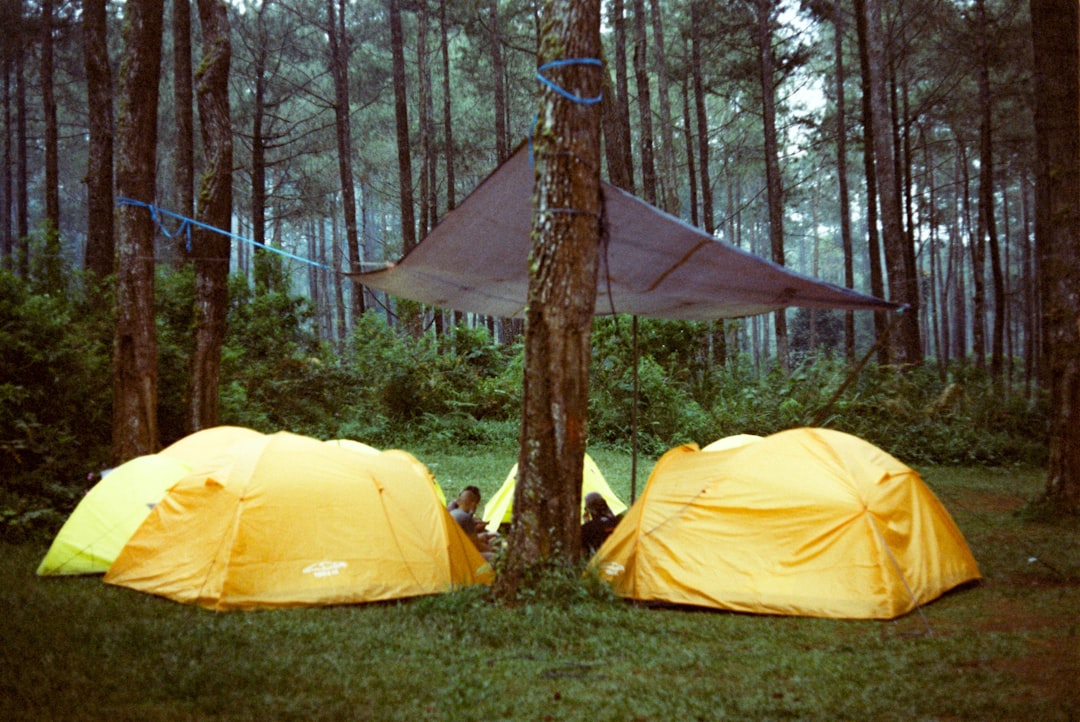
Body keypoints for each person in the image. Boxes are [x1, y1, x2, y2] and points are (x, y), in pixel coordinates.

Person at [448, 486, 496, 560]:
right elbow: (476, 545)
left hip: (453, 550)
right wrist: (495, 552)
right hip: (463, 556)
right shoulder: (465, 517)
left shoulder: (453, 513)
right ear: (473, 504)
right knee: (493, 556)